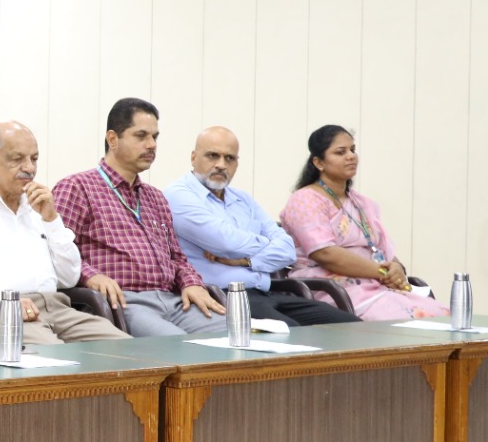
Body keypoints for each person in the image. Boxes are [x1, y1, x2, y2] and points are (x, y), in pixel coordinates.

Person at [0, 121, 127, 344]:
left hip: (58, 309)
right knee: (58, 358)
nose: (29, 168)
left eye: (34, 159)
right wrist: (2, 300)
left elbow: (69, 277)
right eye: (17, 159)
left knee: (128, 351)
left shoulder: (37, 205)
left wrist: (51, 220)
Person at [53, 98, 225, 337]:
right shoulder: (77, 188)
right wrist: (90, 276)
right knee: (179, 346)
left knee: (237, 334)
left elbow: (176, 258)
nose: (151, 145)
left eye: (155, 137)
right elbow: (56, 253)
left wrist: (191, 282)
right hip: (124, 302)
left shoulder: (155, 197)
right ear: (113, 139)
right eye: (141, 136)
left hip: (174, 300)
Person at [164, 126, 359, 328]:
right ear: (194, 157)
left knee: (351, 328)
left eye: (230, 158)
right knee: (291, 334)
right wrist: (267, 244)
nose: (221, 165)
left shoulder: (243, 199)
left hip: (266, 291)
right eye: (213, 156)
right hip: (221, 296)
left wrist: (246, 261)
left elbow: (287, 250)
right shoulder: (179, 195)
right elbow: (226, 242)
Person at [280, 125, 449, 321]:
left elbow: (380, 248)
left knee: (445, 316)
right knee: (412, 319)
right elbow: (326, 254)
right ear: (319, 162)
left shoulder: (360, 203)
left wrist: (397, 269)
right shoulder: (305, 200)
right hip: (332, 290)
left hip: (376, 284)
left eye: (352, 150)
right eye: (340, 152)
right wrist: (382, 272)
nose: (351, 156)